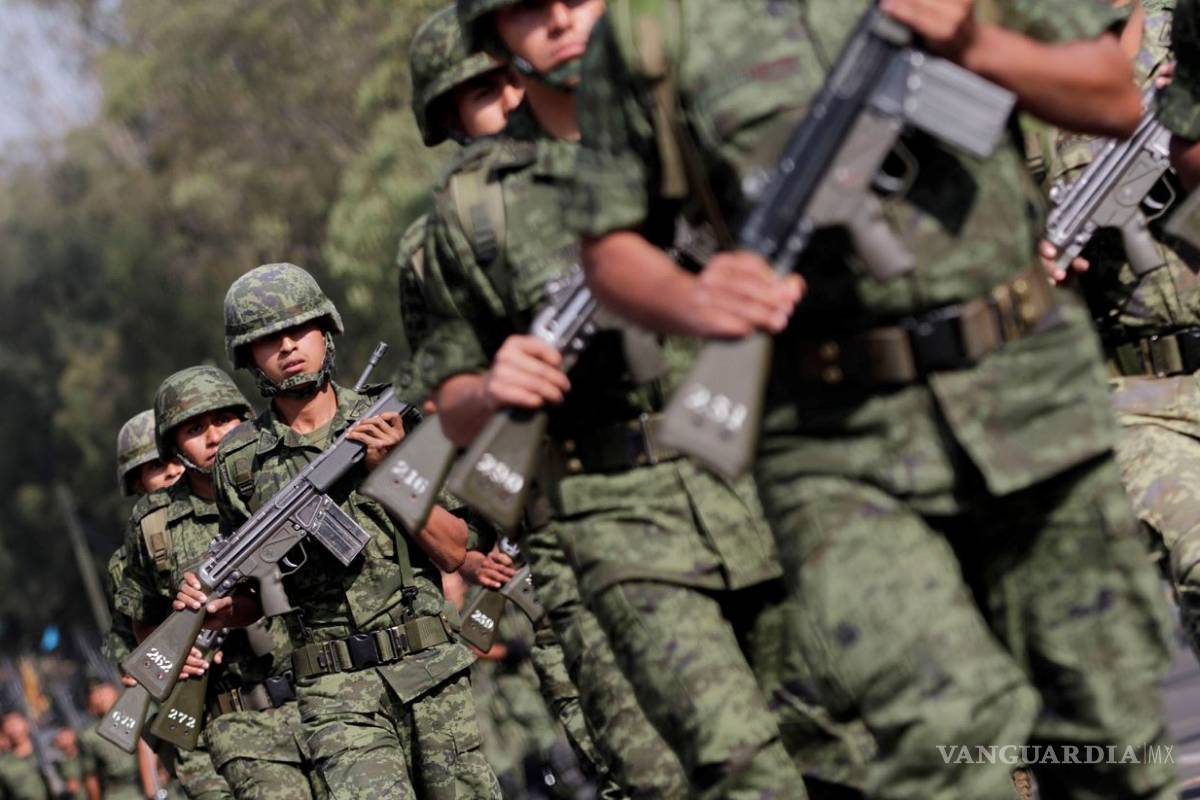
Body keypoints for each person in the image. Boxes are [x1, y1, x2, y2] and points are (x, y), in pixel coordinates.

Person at [566, 0, 1177, 796]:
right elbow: (610, 245)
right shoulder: (652, 30)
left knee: (1109, 736)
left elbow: (1111, 97)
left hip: (1029, 398)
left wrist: (969, 41)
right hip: (834, 441)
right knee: (943, 737)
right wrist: (695, 298)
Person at [415, 1, 880, 796]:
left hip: (770, 475)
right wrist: (496, 387)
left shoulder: (691, 126)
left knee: (850, 739)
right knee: (733, 761)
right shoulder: (469, 215)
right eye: (484, 88)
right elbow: (449, 401)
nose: (511, 95)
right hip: (619, 515)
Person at [180, 262, 498, 799]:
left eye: (299, 329)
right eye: (268, 339)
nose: (287, 346)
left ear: (326, 332)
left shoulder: (397, 422)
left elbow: (455, 551)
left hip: (430, 672)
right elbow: (256, 598)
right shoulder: (239, 462)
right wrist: (216, 606)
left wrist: (393, 472)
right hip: (335, 696)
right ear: (248, 357)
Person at [118, 366, 320, 799]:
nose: (215, 437)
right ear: (175, 444)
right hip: (243, 721)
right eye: (195, 428)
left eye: (225, 421)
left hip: (328, 693)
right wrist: (176, 653)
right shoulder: (155, 525)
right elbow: (142, 616)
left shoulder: (285, 477)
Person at [105, 408, 229, 800]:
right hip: (195, 714)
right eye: (158, 467)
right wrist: (171, 656)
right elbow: (131, 654)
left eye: (177, 460)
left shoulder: (231, 513)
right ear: (138, 483)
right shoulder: (130, 560)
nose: (174, 472)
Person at [76, 682, 142, 800]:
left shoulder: (138, 716)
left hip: (152, 784)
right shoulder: (90, 736)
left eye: (102, 689)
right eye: (94, 692)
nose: (100, 695)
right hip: (119, 792)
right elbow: (91, 777)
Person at [0, 712, 50, 800]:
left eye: (14, 724)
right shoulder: (4, 767)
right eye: (8, 726)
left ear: (26, 723)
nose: (13, 729)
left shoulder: (50, 748)